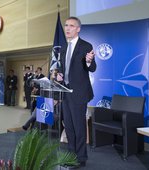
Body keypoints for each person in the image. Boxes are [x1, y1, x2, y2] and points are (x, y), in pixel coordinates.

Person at [60, 16, 96, 168]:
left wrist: (89, 61)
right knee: (68, 126)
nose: (67, 28)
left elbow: (92, 67)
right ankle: (70, 155)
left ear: (78, 29)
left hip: (79, 93)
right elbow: (64, 69)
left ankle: (81, 158)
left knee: (79, 127)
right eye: (66, 25)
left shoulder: (86, 46)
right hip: (65, 92)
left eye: (71, 26)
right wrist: (59, 75)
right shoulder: (64, 48)